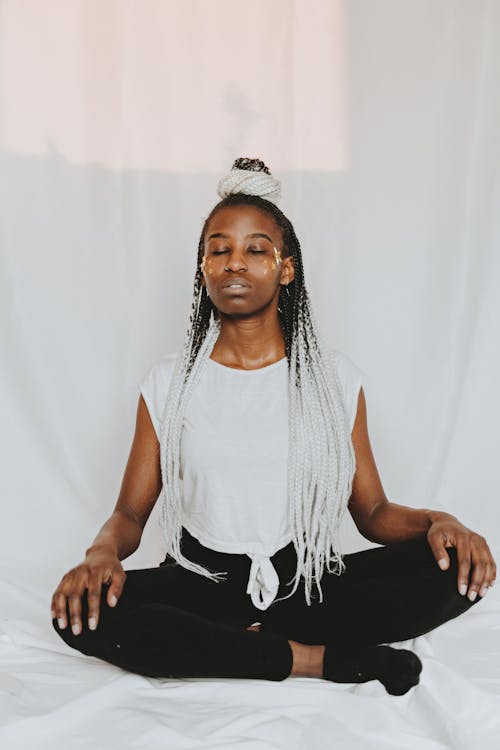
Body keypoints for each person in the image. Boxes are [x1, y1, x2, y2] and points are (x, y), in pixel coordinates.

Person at [51, 157, 496, 695]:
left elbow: (373, 513)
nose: (235, 263)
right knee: (81, 613)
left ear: (285, 268)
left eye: (256, 250)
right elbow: (129, 513)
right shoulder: (170, 382)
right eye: (219, 250)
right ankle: (314, 659)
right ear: (203, 269)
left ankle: (235, 641)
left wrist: (438, 521)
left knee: (457, 569)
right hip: (202, 579)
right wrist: (100, 553)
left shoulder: (333, 378)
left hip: (304, 581)